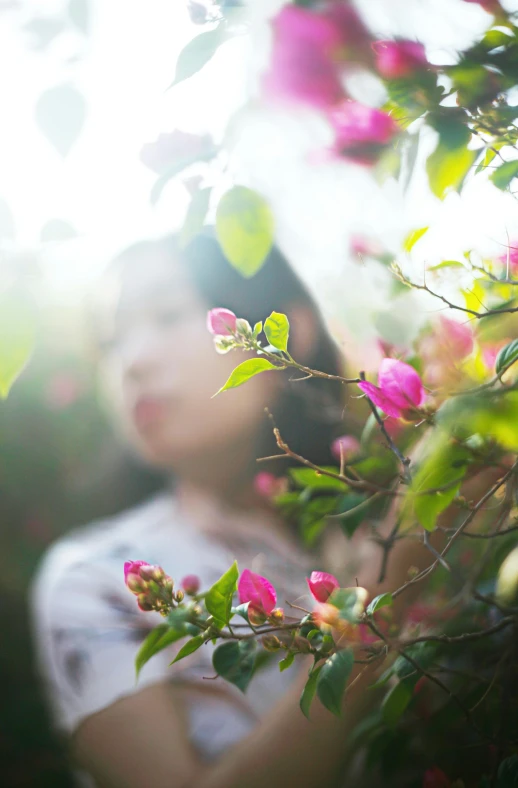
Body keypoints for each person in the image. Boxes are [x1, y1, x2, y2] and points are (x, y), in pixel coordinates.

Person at [31, 231, 434, 788]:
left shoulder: (372, 520)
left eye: (168, 315)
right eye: (110, 341)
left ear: (287, 332)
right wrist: (391, 583)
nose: (131, 361)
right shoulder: (96, 577)